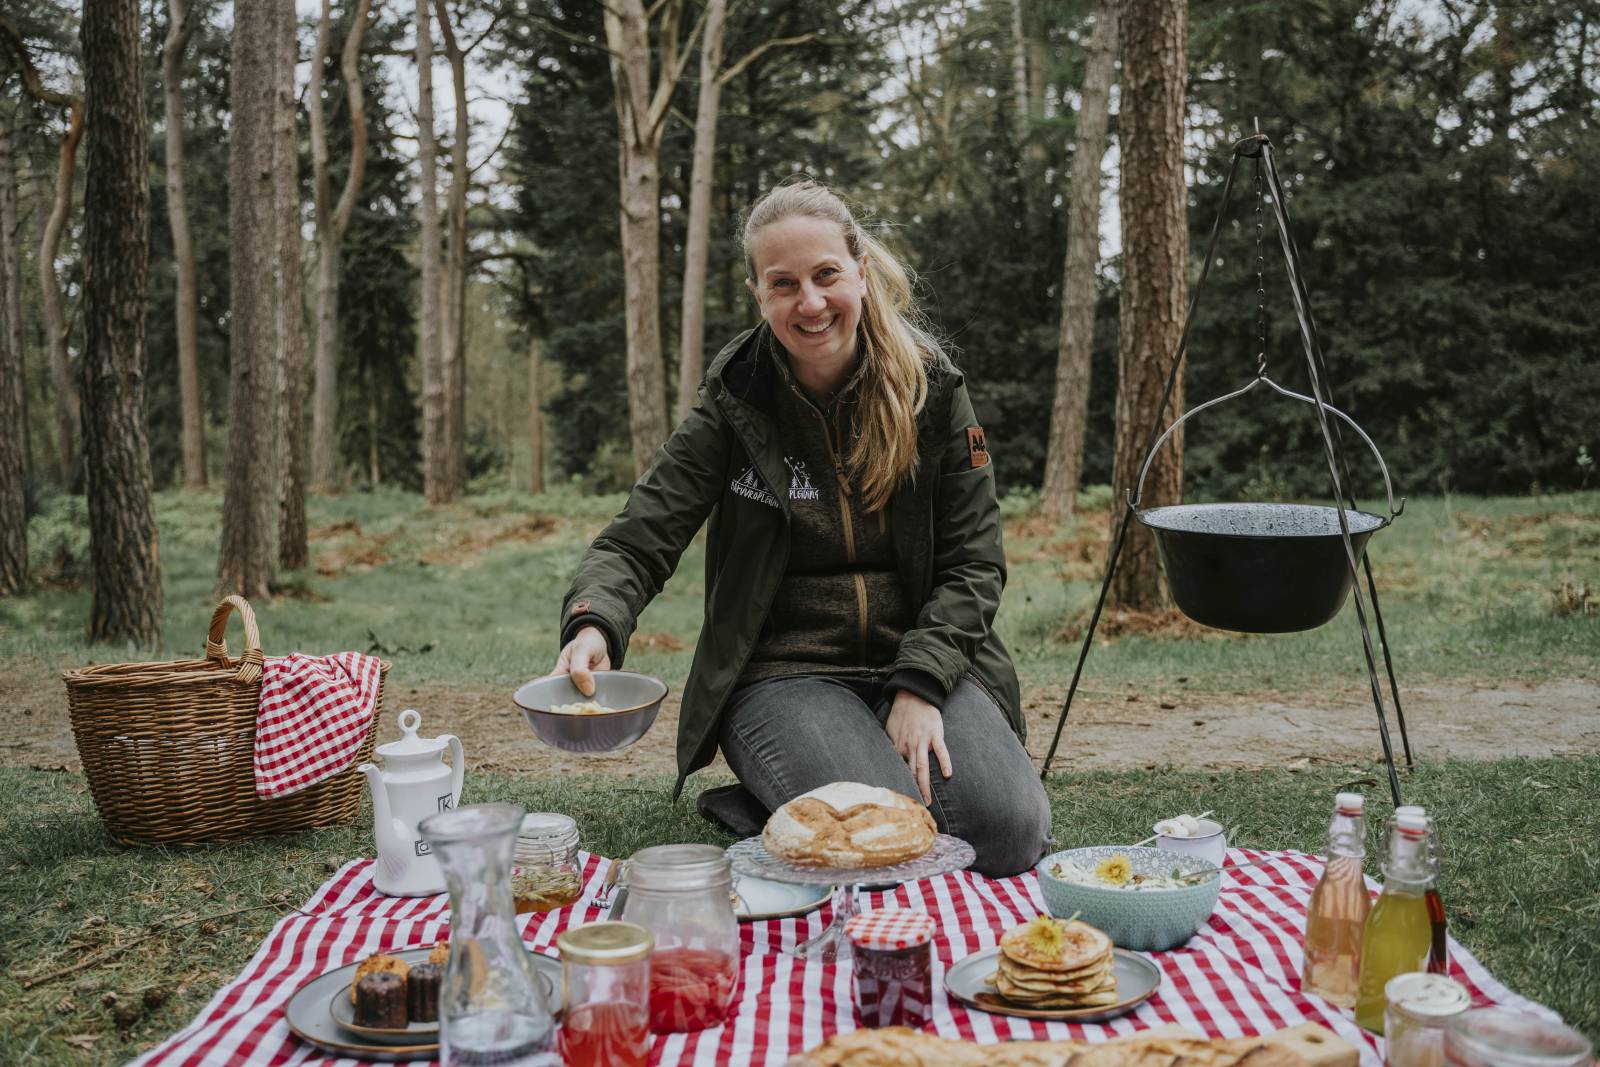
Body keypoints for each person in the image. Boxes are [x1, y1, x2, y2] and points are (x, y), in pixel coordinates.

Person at [551, 180, 1051, 877]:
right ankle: (792, 780)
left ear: (861, 273)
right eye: (784, 284)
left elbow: (976, 562)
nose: (810, 303)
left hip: (924, 657)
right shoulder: (736, 399)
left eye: (825, 276)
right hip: (785, 675)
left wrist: (921, 686)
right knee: (878, 831)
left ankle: (788, 796)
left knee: (1008, 833)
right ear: (759, 295)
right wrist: (593, 623)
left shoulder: (932, 392)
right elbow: (640, 535)